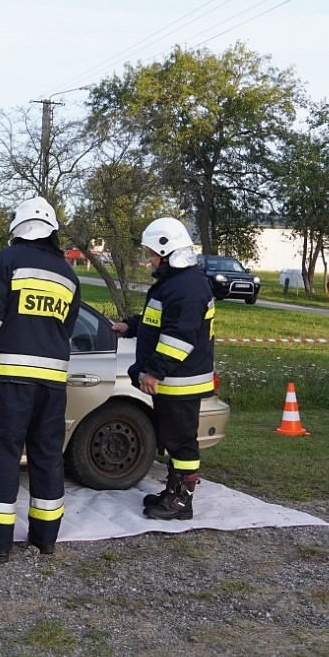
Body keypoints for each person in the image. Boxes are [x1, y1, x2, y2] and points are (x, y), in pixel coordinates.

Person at [0, 197, 79, 563]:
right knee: (46, 456)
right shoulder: (68, 275)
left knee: (2, 455)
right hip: (53, 384)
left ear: (18, 228)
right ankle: (45, 537)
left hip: (11, 380)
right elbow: (65, 330)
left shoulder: (5, 261)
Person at [111, 217, 216, 521]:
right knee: (172, 438)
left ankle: (181, 502)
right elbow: (158, 323)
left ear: (168, 251)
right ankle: (173, 492)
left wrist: (155, 371)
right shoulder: (177, 284)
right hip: (174, 380)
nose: (150, 260)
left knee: (182, 442)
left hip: (180, 381)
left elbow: (178, 338)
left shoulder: (186, 287)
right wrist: (129, 326)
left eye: (152, 254)